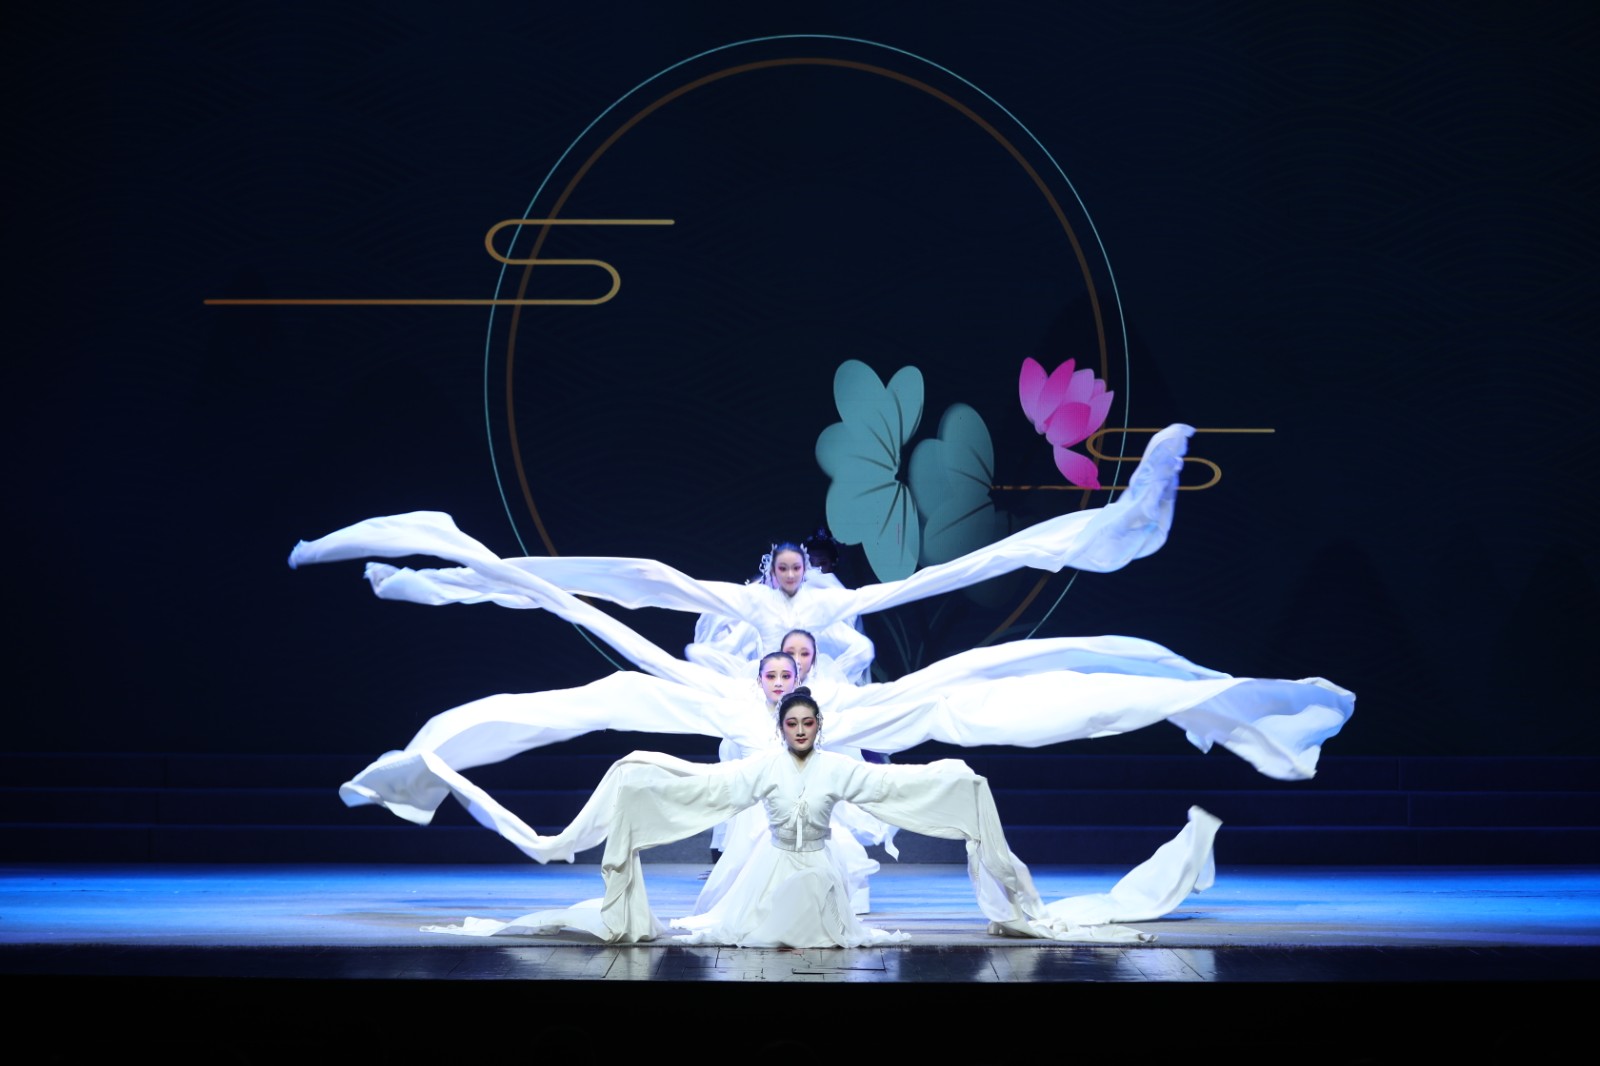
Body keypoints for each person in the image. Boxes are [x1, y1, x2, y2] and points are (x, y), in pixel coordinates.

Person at [422, 689, 1224, 947]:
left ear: (819, 725)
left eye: (809, 722)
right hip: (774, 870)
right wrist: (641, 780)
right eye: (793, 722)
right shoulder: (760, 767)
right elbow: (708, 790)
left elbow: (897, 788)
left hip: (823, 873)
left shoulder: (839, 766)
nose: (801, 730)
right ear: (781, 727)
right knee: (753, 936)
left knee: (825, 936)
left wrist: (954, 781)